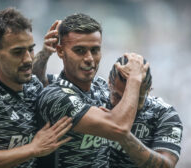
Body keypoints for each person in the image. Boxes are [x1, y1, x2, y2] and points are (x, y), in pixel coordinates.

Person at [0, 8, 72, 168]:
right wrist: (32, 149)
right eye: (17, 52)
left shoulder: (33, 85)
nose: (27, 59)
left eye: (30, 49)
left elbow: (38, 74)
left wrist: (45, 53)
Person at [36, 13, 149, 167]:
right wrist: (135, 78)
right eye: (80, 50)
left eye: (95, 50)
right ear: (61, 51)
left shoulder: (101, 86)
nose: (89, 58)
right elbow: (119, 128)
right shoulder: (56, 95)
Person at [108, 56, 183, 168]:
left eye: (136, 99)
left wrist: (121, 134)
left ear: (149, 90)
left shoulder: (164, 114)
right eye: (118, 97)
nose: (126, 105)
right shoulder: (95, 96)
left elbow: (166, 165)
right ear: (109, 83)